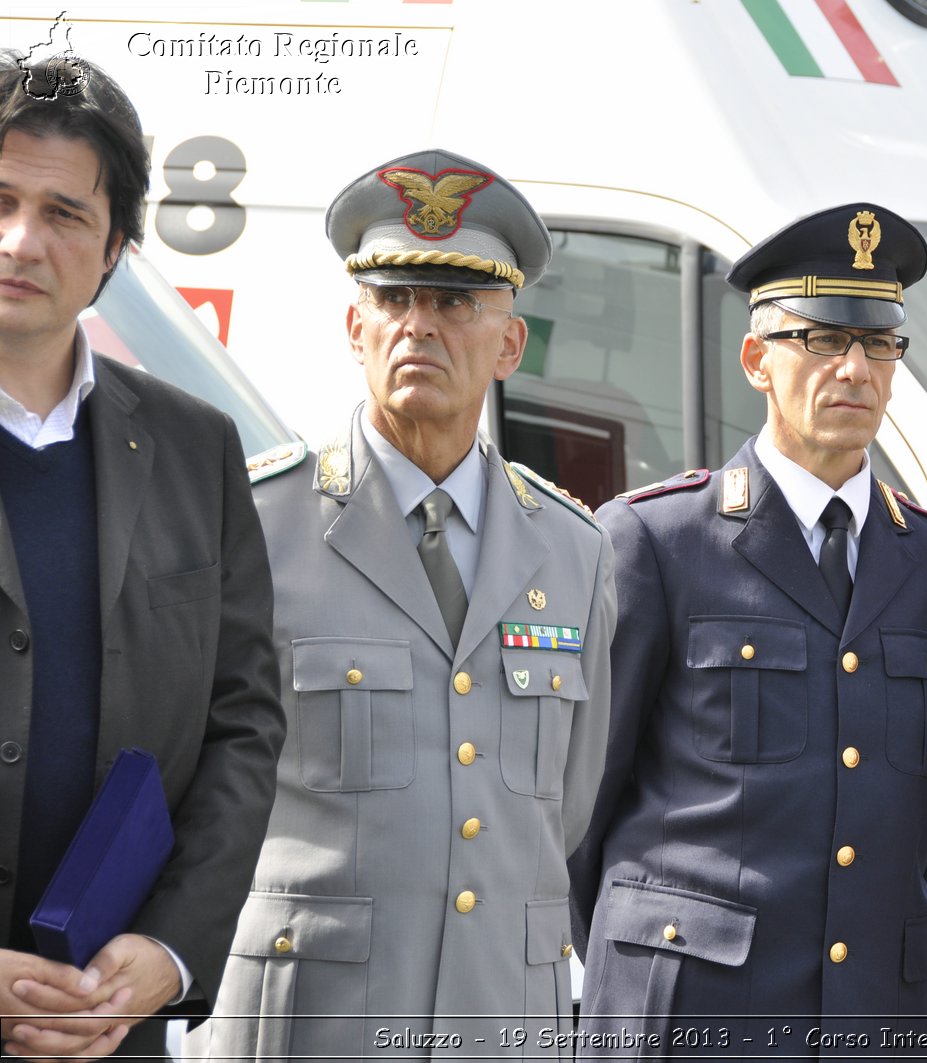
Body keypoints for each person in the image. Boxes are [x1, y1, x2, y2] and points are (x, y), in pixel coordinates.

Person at [194, 149, 615, 1059]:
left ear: (511, 344)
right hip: (314, 1021)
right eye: (394, 300)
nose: (419, 325)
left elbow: (568, 804)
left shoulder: (576, 552)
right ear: (355, 326)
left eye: (455, 302)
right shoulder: (259, 522)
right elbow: (194, 787)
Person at [569, 203, 927, 1058]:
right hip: (691, 1015)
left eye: (879, 344)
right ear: (757, 358)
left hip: (873, 1012)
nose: (855, 369)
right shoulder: (655, 539)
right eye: (824, 340)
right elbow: (582, 800)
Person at [0, 49, 284, 1060]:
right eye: (0, 198)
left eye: (65, 214)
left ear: (115, 246)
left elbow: (244, 719)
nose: (21, 240)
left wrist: (169, 946)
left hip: (106, 1027)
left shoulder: (194, 448)